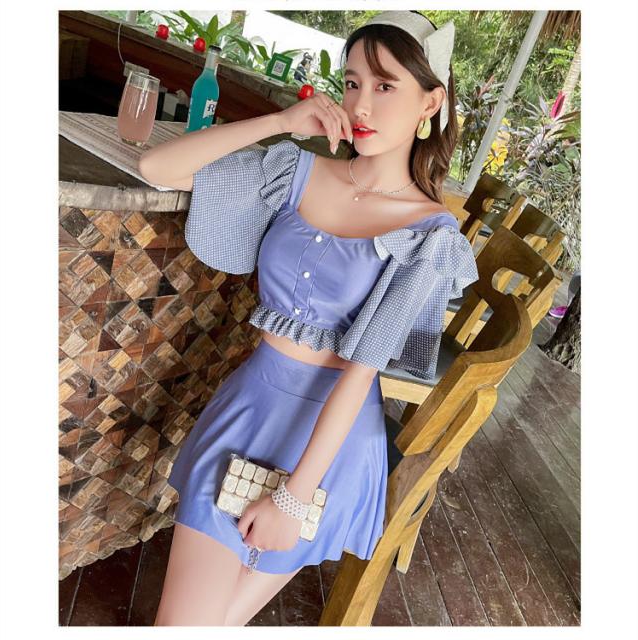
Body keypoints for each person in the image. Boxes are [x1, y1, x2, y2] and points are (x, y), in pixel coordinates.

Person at [138, 10, 477, 626]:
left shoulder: (429, 237)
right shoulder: (296, 170)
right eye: (351, 83)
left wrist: (293, 500)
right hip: (250, 406)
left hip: (330, 448)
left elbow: (360, 371)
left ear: (430, 103)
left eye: (386, 85)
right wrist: (280, 122)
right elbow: (155, 169)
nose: (362, 104)